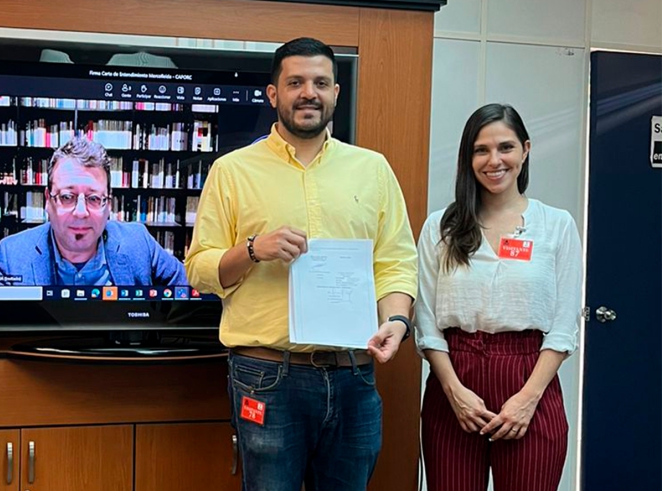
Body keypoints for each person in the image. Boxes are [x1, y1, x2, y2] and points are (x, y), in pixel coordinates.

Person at [184, 37, 418, 491]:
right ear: (274, 94)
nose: (308, 92)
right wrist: (253, 249)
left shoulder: (372, 170)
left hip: (354, 375)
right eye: (295, 82)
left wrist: (396, 318)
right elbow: (199, 268)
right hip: (268, 376)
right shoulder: (232, 171)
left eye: (320, 82)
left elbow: (395, 261)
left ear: (335, 93)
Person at [414, 103, 582, 491]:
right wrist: (453, 391)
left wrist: (527, 398)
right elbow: (425, 318)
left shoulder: (555, 225)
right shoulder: (442, 226)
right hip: (454, 380)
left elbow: (563, 324)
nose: (494, 160)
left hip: (529, 378)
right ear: (467, 158)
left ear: (525, 149)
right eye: (481, 150)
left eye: (505, 147)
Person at [0, 137, 188, 286]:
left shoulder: (139, 242)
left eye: (93, 198)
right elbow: (1, 337)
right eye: (67, 197)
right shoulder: (10, 257)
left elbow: (192, 294)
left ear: (109, 204)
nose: (81, 212)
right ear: (47, 201)